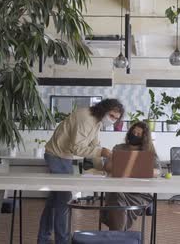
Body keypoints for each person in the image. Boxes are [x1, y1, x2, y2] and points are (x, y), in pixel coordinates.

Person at [37, 98, 124, 244]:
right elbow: (77, 148)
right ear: (104, 109)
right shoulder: (86, 119)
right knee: (64, 201)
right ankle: (62, 241)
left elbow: (94, 144)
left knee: (54, 202)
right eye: (112, 115)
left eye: (116, 118)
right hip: (57, 156)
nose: (113, 120)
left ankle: (43, 239)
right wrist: (102, 152)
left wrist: (103, 167)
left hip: (62, 156)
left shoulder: (95, 121)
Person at [101, 121, 161, 231]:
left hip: (138, 193)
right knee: (117, 198)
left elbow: (157, 171)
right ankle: (119, 236)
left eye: (138, 135)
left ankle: (116, 236)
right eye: (133, 132)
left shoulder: (147, 152)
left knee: (118, 204)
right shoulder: (118, 148)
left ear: (144, 138)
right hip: (117, 189)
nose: (135, 136)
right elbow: (107, 167)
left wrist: (130, 169)